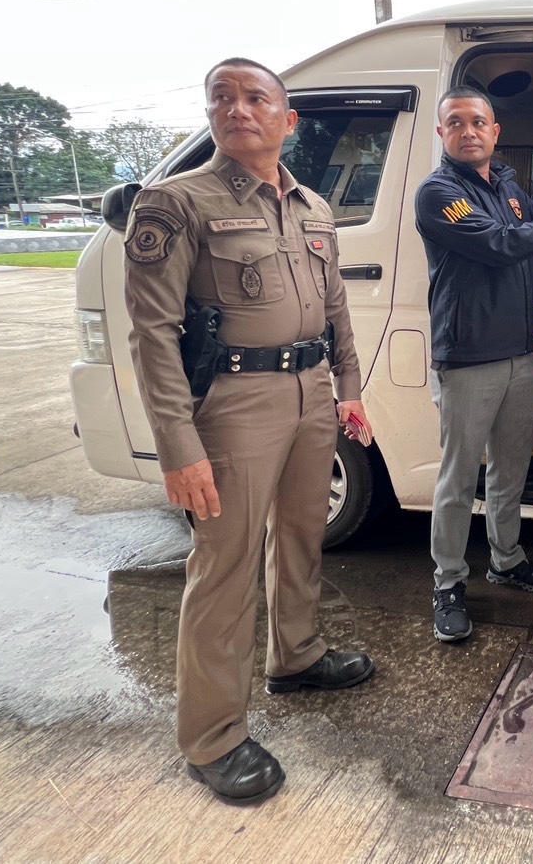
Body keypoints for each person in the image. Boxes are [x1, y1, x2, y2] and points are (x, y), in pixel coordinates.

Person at [124, 57, 375, 806]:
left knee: (301, 536)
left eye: (256, 97)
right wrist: (178, 446)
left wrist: (349, 390)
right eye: (223, 98)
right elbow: (152, 335)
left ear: (287, 120)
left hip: (310, 392)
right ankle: (212, 738)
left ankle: (296, 656)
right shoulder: (176, 202)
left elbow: (335, 307)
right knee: (225, 565)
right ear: (208, 114)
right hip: (234, 403)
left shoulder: (312, 206)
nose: (238, 109)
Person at [414, 85, 533, 644]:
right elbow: (501, 243)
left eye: (478, 122)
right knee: (458, 478)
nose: (468, 131)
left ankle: (506, 558)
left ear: (495, 131)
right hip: (468, 357)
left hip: (520, 356)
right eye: (456, 122)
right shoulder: (439, 193)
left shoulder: (504, 184)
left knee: (509, 469)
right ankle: (448, 583)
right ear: (442, 133)